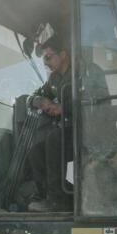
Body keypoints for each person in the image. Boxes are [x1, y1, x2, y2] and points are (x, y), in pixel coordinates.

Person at [26, 38, 73, 212]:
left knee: (54, 138)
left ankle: (58, 201)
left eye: (49, 57)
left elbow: (98, 103)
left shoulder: (86, 73)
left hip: (90, 131)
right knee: (36, 150)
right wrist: (40, 101)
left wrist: (64, 108)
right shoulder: (54, 79)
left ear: (63, 54)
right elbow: (32, 98)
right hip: (68, 132)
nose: (46, 63)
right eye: (43, 59)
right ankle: (46, 196)